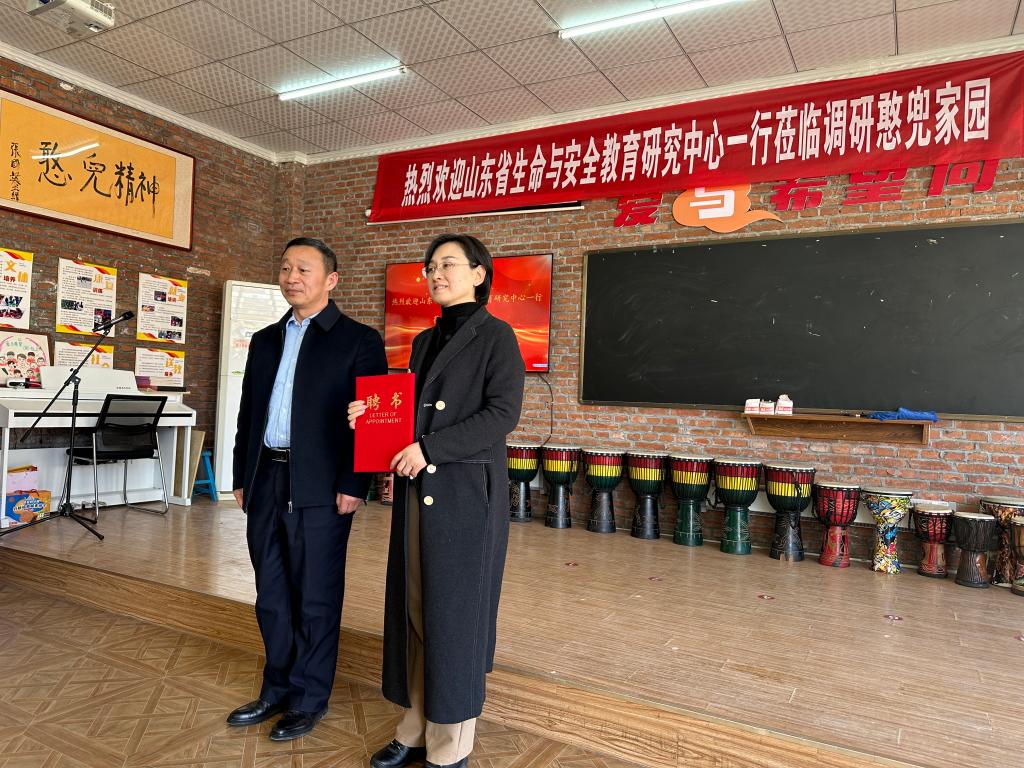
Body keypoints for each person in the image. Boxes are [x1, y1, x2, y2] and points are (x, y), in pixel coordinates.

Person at [349, 234, 525, 768]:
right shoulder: (425, 340)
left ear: (479, 273)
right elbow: (410, 414)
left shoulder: (498, 336)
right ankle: (416, 726)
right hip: (418, 492)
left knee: (456, 615)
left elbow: (502, 415)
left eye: (448, 264)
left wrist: (429, 450)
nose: (435, 274)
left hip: (465, 495)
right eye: (430, 267)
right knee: (417, 610)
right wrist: (369, 419)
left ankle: (451, 744)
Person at [229, 237, 388, 741]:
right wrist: (240, 475)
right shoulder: (265, 340)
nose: (291, 277)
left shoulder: (359, 340)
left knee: (316, 597)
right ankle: (275, 689)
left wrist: (355, 483)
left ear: (330, 280)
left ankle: (308, 697)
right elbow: (248, 413)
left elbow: (373, 420)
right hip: (266, 479)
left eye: (303, 269)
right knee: (271, 595)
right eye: (285, 268)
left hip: (321, 487)